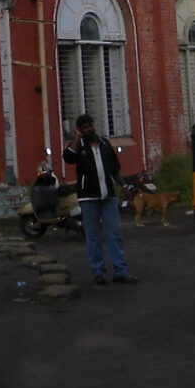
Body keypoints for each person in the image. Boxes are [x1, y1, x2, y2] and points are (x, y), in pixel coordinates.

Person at [62, 113, 136, 286]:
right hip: (88, 197)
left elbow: (114, 168)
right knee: (93, 236)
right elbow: (68, 158)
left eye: (91, 126)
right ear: (79, 130)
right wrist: (77, 138)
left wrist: (123, 186)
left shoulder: (104, 144)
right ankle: (98, 272)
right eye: (85, 127)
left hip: (108, 195)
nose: (90, 129)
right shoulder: (78, 147)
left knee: (114, 233)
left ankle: (121, 271)